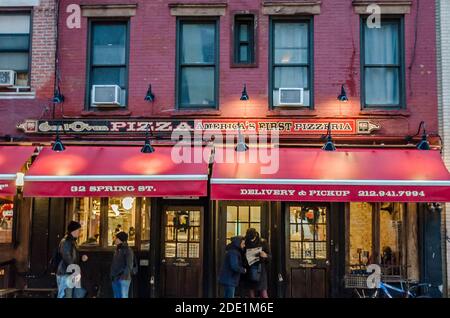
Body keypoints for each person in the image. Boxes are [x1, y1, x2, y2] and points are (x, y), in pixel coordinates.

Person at [56, 221, 88, 298]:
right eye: (79, 230)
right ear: (74, 230)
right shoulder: (66, 241)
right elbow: (67, 257)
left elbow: (71, 257)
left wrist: (80, 258)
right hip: (65, 274)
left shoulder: (72, 241)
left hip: (69, 273)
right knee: (66, 295)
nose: (80, 232)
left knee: (69, 295)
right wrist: (75, 270)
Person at [243, 228, 271, 298]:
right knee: (251, 292)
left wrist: (266, 255)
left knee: (263, 292)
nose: (251, 241)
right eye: (250, 239)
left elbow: (270, 257)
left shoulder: (263, 243)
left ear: (256, 236)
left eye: (253, 239)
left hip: (260, 269)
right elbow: (241, 256)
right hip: (249, 269)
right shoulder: (246, 242)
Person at [111, 231, 135, 298]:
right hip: (115, 278)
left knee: (123, 296)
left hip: (123, 279)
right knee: (117, 296)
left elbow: (129, 265)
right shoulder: (117, 250)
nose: (115, 240)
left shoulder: (128, 250)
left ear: (120, 239)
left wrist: (122, 276)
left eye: (116, 238)